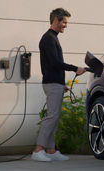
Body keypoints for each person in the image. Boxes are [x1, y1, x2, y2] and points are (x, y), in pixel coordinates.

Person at [32, 8, 86, 162]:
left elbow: (52, 65)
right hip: (51, 83)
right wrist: (76, 68)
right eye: (64, 22)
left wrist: (61, 84)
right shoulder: (48, 39)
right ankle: (38, 150)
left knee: (54, 117)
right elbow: (55, 63)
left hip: (55, 83)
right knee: (52, 117)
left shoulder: (52, 38)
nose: (65, 25)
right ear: (56, 20)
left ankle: (50, 150)